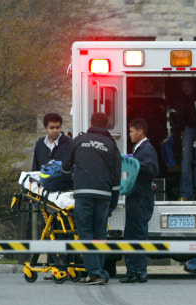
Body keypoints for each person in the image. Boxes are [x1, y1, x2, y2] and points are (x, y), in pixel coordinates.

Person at [62, 112, 121, 285]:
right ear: (107, 125)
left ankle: (95, 273)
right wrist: (114, 200)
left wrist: (67, 179)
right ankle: (99, 271)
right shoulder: (111, 145)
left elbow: (66, 167)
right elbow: (116, 175)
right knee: (100, 233)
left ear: (91, 123)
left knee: (85, 232)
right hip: (103, 194)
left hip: (83, 193)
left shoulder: (79, 141)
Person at [31, 113, 72, 280]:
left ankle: (65, 265)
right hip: (45, 193)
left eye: (57, 127)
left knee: (63, 229)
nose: (55, 131)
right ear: (45, 128)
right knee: (48, 228)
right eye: (51, 128)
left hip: (62, 192)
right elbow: (35, 167)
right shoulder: (40, 145)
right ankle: (52, 264)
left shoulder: (68, 143)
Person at [120, 118, 159, 283]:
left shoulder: (147, 149)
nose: (129, 135)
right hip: (134, 197)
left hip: (141, 198)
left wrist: (135, 163)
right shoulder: (138, 149)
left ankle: (139, 271)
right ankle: (133, 271)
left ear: (140, 131)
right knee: (131, 234)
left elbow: (153, 169)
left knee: (137, 234)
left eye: (131, 131)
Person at [172, 78, 196, 201]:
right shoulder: (180, 99)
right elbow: (176, 117)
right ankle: (185, 193)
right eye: (183, 86)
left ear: (194, 85)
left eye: (188, 85)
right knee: (185, 157)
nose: (186, 89)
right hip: (188, 127)